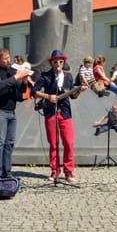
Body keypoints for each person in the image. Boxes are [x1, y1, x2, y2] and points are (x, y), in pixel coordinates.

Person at [32, 50, 87, 182]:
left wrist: (79, 91)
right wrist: (48, 96)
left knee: (68, 142)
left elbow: (72, 96)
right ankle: (55, 170)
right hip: (50, 112)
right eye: (55, 61)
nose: (58, 64)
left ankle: (68, 171)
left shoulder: (68, 77)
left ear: (63, 63)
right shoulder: (46, 76)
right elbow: (34, 91)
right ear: (51, 63)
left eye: (60, 61)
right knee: (53, 142)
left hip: (65, 112)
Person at [0, 48, 30, 181]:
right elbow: (0, 86)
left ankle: (7, 172)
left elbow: (21, 89)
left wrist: (25, 80)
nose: (8, 60)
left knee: (9, 143)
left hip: (11, 111)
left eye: (8, 58)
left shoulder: (11, 71)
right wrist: (17, 76)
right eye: (5, 58)